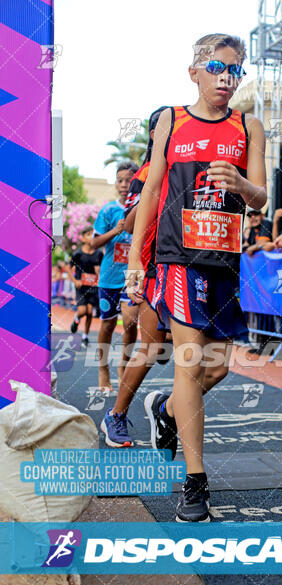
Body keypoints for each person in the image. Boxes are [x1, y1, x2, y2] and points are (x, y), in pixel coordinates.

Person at [126, 33, 267, 522]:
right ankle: (195, 483)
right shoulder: (171, 119)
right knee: (188, 364)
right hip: (176, 258)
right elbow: (150, 191)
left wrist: (241, 183)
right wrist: (135, 261)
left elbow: (261, 197)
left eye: (235, 71)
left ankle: (165, 412)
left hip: (224, 260)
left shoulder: (250, 126)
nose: (226, 78)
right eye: (217, 68)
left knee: (218, 368)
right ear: (194, 72)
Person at [100, 106, 171, 447]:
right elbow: (128, 224)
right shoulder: (145, 173)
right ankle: (116, 414)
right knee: (149, 347)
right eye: (167, 127)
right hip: (152, 267)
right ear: (154, 134)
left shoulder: (189, 167)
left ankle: (166, 409)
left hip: (188, 266)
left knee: (203, 356)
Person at [91, 161, 140, 391]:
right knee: (108, 324)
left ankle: (124, 364)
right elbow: (93, 243)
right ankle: (103, 368)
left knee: (130, 322)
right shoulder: (109, 211)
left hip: (132, 276)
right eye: (119, 180)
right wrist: (116, 230)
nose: (123, 185)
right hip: (109, 277)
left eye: (128, 180)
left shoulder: (142, 207)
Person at [66, 226, 103, 346]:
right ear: (82, 238)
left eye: (93, 234)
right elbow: (68, 268)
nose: (91, 237)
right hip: (81, 287)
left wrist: (99, 272)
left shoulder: (98, 253)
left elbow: (102, 269)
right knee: (82, 311)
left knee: (90, 312)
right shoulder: (78, 253)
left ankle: (85, 336)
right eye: (88, 234)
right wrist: (75, 281)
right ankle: (76, 319)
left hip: (93, 287)